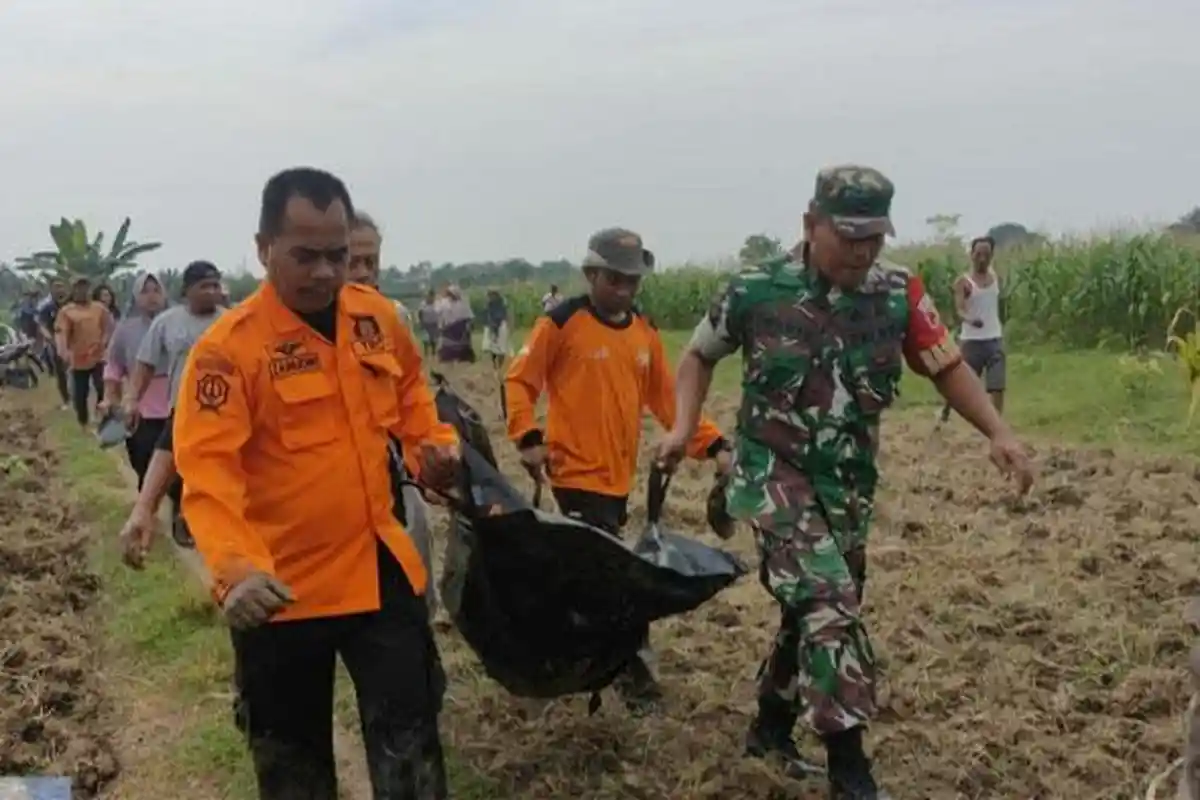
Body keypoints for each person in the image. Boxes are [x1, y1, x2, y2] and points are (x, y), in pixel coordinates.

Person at [658, 165, 1034, 799]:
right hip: (770, 475)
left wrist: (998, 431)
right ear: (811, 225)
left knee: (807, 611)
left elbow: (945, 368)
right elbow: (698, 355)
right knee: (830, 604)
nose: (863, 253)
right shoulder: (755, 289)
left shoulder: (897, 293)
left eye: (874, 239)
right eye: (849, 237)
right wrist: (681, 426)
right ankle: (850, 773)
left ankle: (771, 730)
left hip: (848, 487)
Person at [173, 167, 459, 800]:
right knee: (293, 766)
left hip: (379, 569)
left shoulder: (375, 319)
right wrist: (236, 571)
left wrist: (430, 449)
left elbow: (413, 392)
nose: (326, 272)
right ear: (263, 248)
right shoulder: (229, 351)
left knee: (410, 749)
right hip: (280, 588)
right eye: (306, 256)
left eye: (338, 255)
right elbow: (209, 471)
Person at [505, 227, 731, 713]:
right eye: (614, 278)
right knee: (611, 580)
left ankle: (577, 665)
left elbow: (669, 400)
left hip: (619, 479)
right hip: (573, 477)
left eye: (633, 280)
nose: (625, 289)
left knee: (589, 583)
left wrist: (712, 444)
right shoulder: (562, 323)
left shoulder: (643, 330)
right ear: (591, 274)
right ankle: (629, 677)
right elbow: (519, 381)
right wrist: (527, 437)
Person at [345, 208, 439, 613]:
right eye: (354, 262)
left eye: (372, 262)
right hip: (336, 477)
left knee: (417, 541)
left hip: (392, 466)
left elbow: (412, 393)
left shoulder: (391, 317)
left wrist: (427, 459)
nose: (364, 272)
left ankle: (422, 615)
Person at [132, 260, 225, 546]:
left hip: (225, 413)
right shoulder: (167, 323)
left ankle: (210, 523)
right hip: (183, 411)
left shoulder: (232, 322)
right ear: (187, 291)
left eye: (215, 286)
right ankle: (178, 513)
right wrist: (131, 398)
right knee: (178, 466)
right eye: (204, 286)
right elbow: (145, 364)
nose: (211, 292)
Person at [99, 273, 170, 488]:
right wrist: (109, 397)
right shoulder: (125, 330)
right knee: (143, 464)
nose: (151, 296)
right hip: (139, 408)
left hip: (175, 405)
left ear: (164, 294)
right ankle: (147, 511)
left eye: (156, 290)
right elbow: (114, 366)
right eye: (145, 291)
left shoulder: (178, 324)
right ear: (136, 297)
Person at [938, 235, 1005, 424]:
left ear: (992, 255)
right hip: (972, 341)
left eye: (986, 254)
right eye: (978, 254)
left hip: (994, 338)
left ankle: (997, 425)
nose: (982, 259)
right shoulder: (964, 282)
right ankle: (946, 410)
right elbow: (959, 310)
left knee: (997, 385)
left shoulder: (996, 278)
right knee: (960, 384)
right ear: (971, 255)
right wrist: (970, 319)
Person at [55, 276, 114, 427]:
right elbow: (61, 333)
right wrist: (63, 352)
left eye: (86, 288)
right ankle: (83, 421)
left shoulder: (99, 309)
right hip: (78, 359)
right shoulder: (67, 312)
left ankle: (100, 416)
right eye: (79, 288)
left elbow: (108, 327)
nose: (83, 291)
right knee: (80, 394)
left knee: (102, 386)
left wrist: (104, 342)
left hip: (98, 356)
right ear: (74, 290)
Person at [37, 278, 71, 408]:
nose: (59, 289)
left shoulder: (69, 304)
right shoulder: (46, 306)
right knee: (60, 372)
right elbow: (42, 325)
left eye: (61, 286)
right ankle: (66, 399)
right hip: (55, 341)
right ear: (51, 289)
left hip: (73, 341)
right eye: (56, 287)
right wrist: (51, 339)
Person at [436, 285, 475, 363]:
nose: (450, 296)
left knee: (463, 344)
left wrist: (468, 326)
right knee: (447, 343)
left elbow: (468, 316)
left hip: (461, 327)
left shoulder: (463, 303)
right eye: (449, 294)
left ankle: (464, 357)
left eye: (451, 294)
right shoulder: (445, 303)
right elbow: (439, 312)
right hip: (449, 327)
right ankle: (447, 357)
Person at [480, 289, 510, 368]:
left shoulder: (499, 304)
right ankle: (496, 365)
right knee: (496, 348)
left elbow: (503, 315)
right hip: (496, 327)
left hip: (499, 326)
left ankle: (498, 365)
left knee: (499, 347)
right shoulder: (492, 304)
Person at [416, 290, 439, 358]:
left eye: (432, 296)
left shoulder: (436, 304)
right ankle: (426, 352)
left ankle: (433, 352)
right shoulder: (423, 304)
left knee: (433, 339)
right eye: (429, 296)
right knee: (425, 339)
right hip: (426, 323)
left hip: (434, 323)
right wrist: (421, 321)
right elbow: (420, 312)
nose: (431, 298)